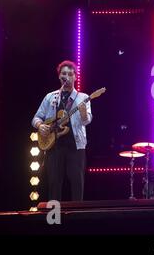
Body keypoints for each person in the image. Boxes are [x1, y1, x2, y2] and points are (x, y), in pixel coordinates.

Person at [32, 60, 92, 201]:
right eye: (64, 73)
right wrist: (40, 126)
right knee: (54, 184)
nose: (67, 76)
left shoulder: (83, 97)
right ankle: (54, 220)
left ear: (75, 77)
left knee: (77, 183)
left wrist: (83, 112)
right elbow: (36, 118)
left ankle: (77, 219)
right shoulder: (50, 97)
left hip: (76, 146)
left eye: (70, 74)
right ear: (59, 76)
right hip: (54, 146)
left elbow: (86, 120)